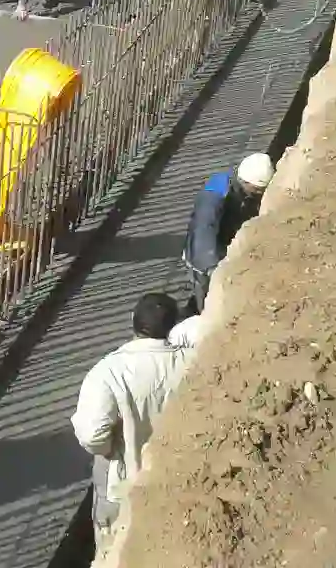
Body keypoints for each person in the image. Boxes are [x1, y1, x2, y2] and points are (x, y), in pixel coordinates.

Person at [71, 292, 190, 562]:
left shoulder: (108, 371)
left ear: (131, 321)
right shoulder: (190, 361)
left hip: (121, 483)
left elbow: (92, 435)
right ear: (174, 326)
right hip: (176, 478)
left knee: (115, 550)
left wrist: (112, 449)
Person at [183, 152, 274, 313]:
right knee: (207, 298)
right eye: (256, 192)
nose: (260, 196)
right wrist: (212, 266)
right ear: (245, 183)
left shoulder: (240, 188)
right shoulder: (215, 193)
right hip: (205, 257)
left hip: (227, 241)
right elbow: (204, 228)